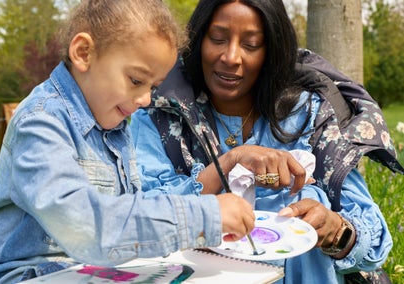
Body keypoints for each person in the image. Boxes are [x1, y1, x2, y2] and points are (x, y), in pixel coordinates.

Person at [0, 1, 309, 283]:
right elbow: (84, 224)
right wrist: (202, 216)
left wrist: (214, 197)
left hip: (101, 271)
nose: (146, 99)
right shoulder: (42, 122)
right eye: (136, 80)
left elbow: (138, 206)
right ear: (83, 53)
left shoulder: (113, 124)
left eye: (154, 85)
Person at [130, 0, 394, 283]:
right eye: (217, 38)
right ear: (196, 41)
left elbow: (374, 246)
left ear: (271, 51)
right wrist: (230, 161)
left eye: (251, 44)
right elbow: (139, 221)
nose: (231, 57)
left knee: (309, 196)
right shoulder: (158, 113)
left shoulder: (309, 115)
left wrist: (334, 230)